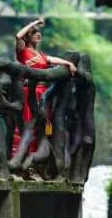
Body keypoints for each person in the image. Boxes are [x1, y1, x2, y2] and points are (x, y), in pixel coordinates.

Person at [11, 18, 77, 157]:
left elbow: (52, 59)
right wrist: (33, 23)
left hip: (42, 94)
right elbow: (18, 36)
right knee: (29, 122)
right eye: (34, 33)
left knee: (46, 121)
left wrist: (69, 64)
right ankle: (24, 155)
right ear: (28, 37)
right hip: (29, 92)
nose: (38, 34)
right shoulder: (22, 52)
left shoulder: (41, 55)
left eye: (39, 32)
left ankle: (44, 148)